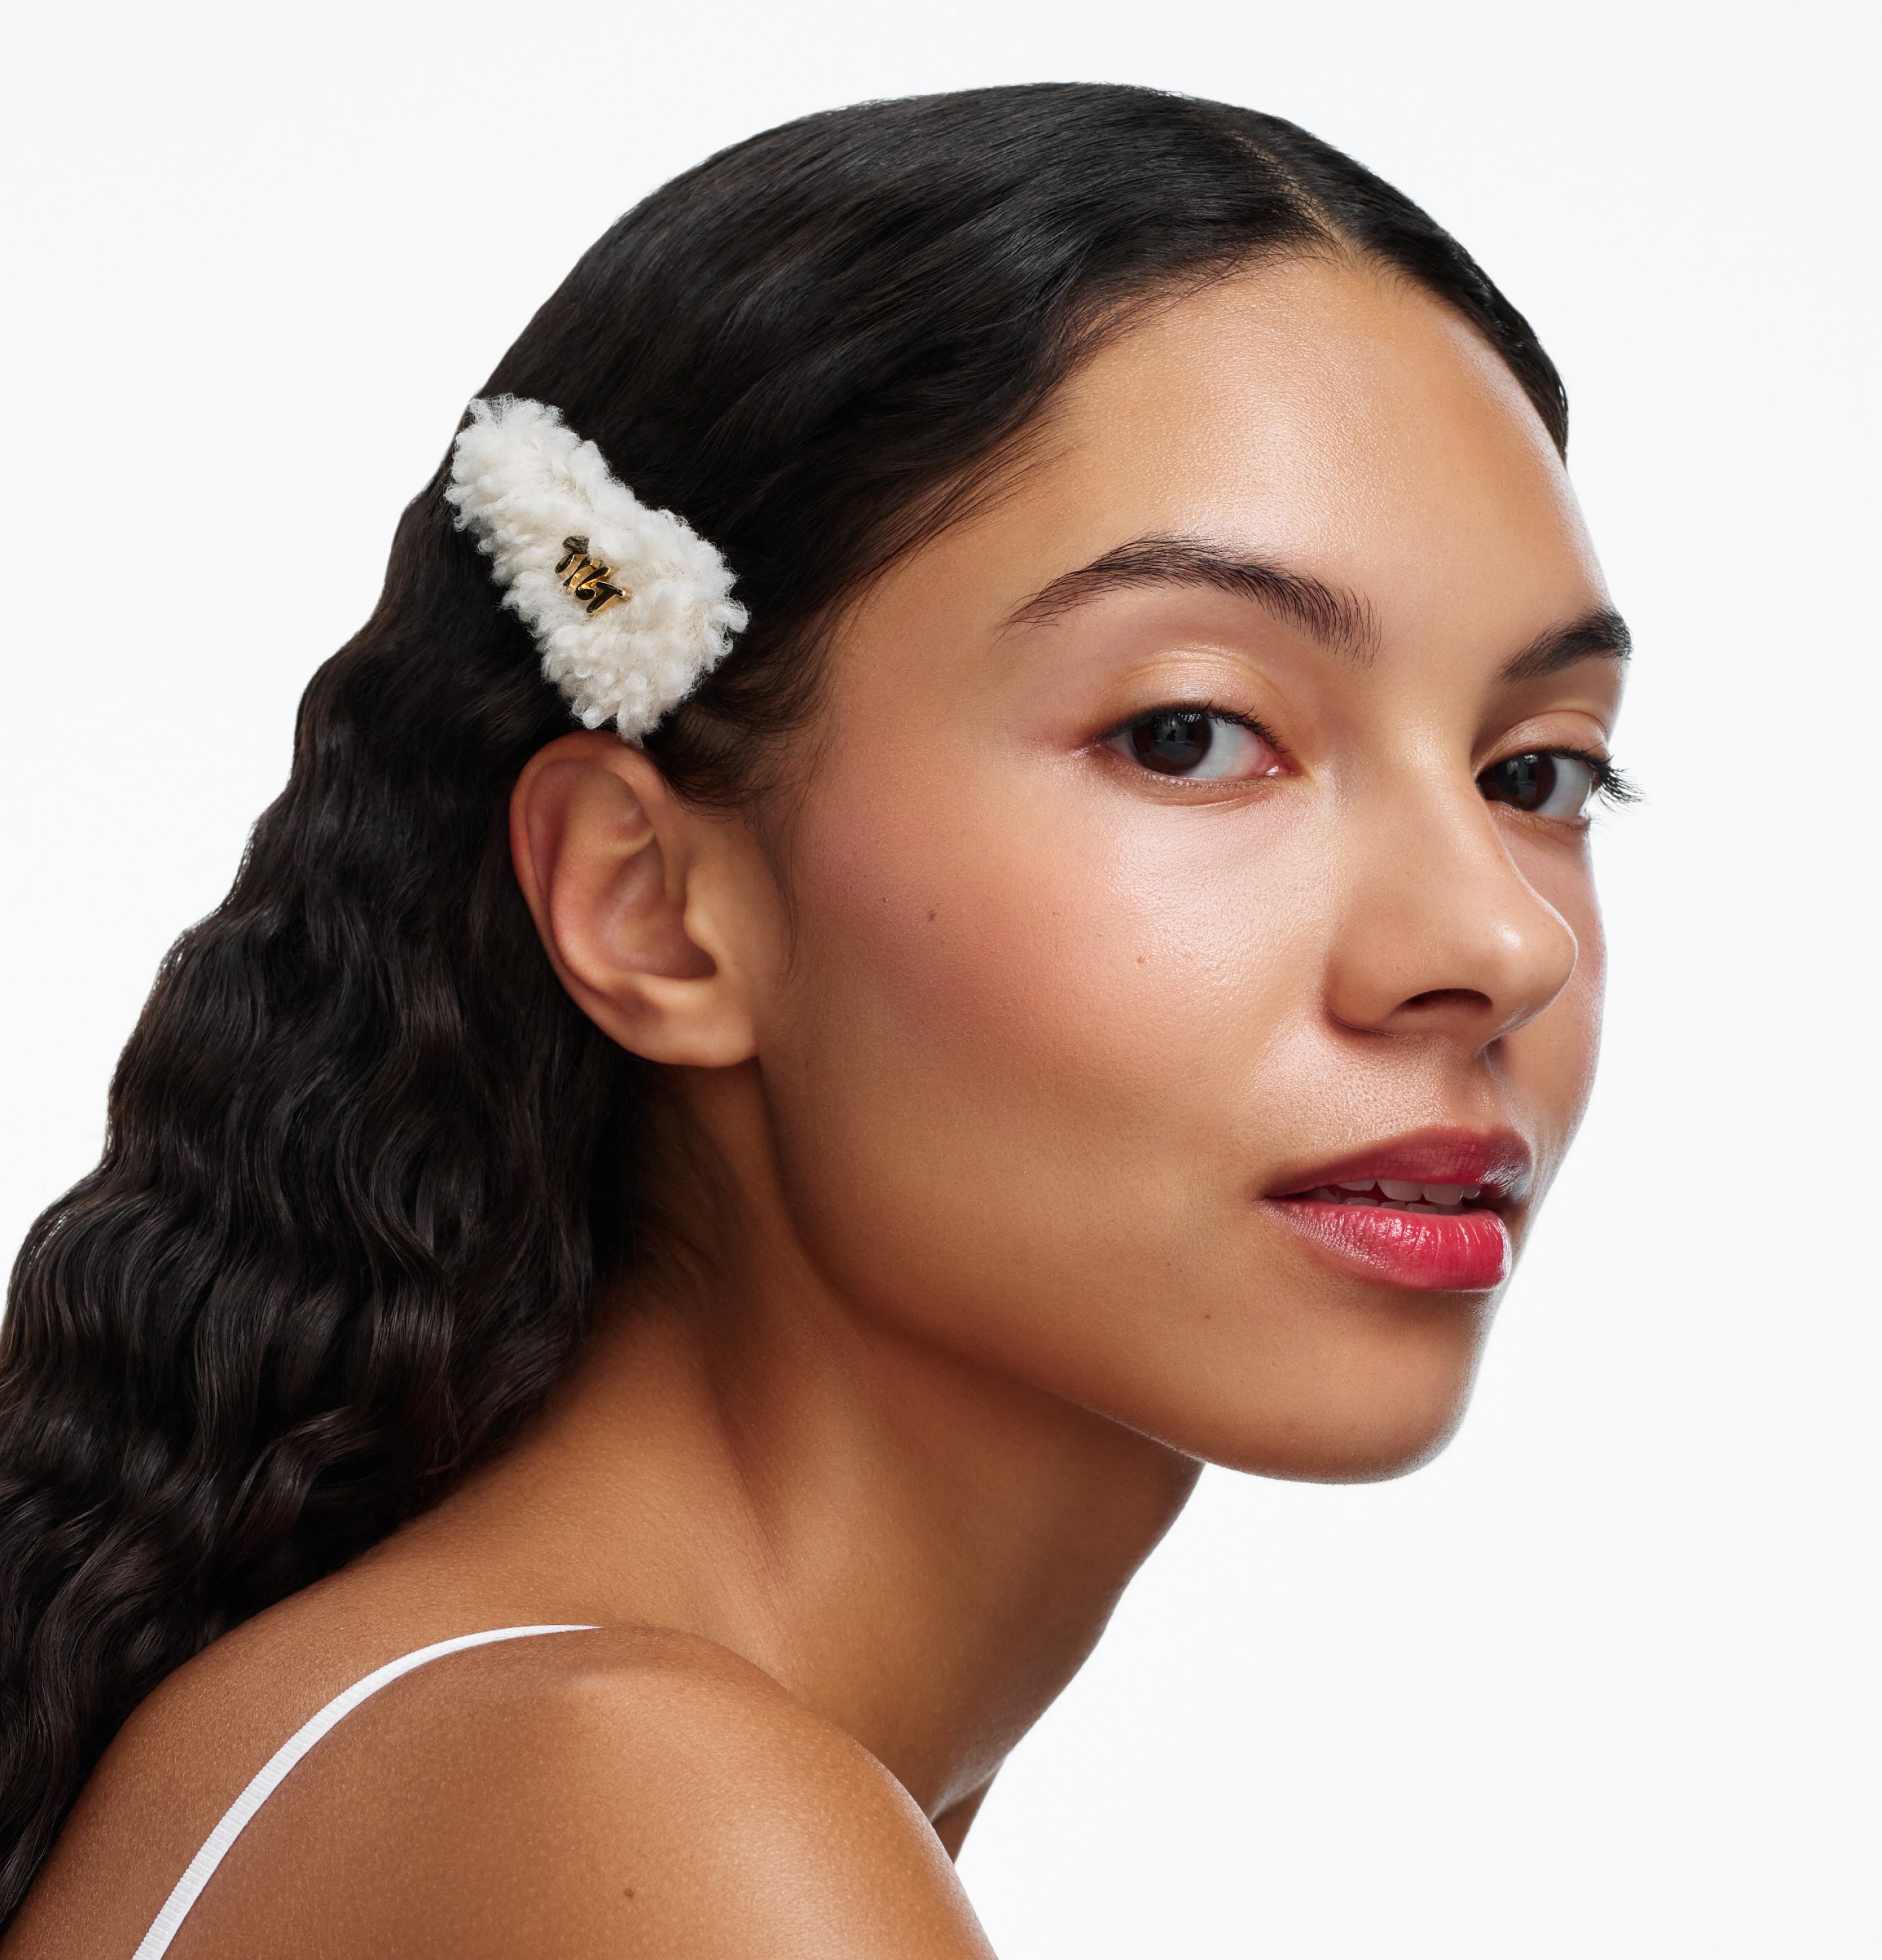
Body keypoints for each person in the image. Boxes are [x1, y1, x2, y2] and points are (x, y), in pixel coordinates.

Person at [0, 82, 1630, 1957]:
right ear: (655, 909)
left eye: (1541, 774)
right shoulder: (654, 1813)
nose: (1496, 941)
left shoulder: (470, 1742)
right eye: (1190, 734)